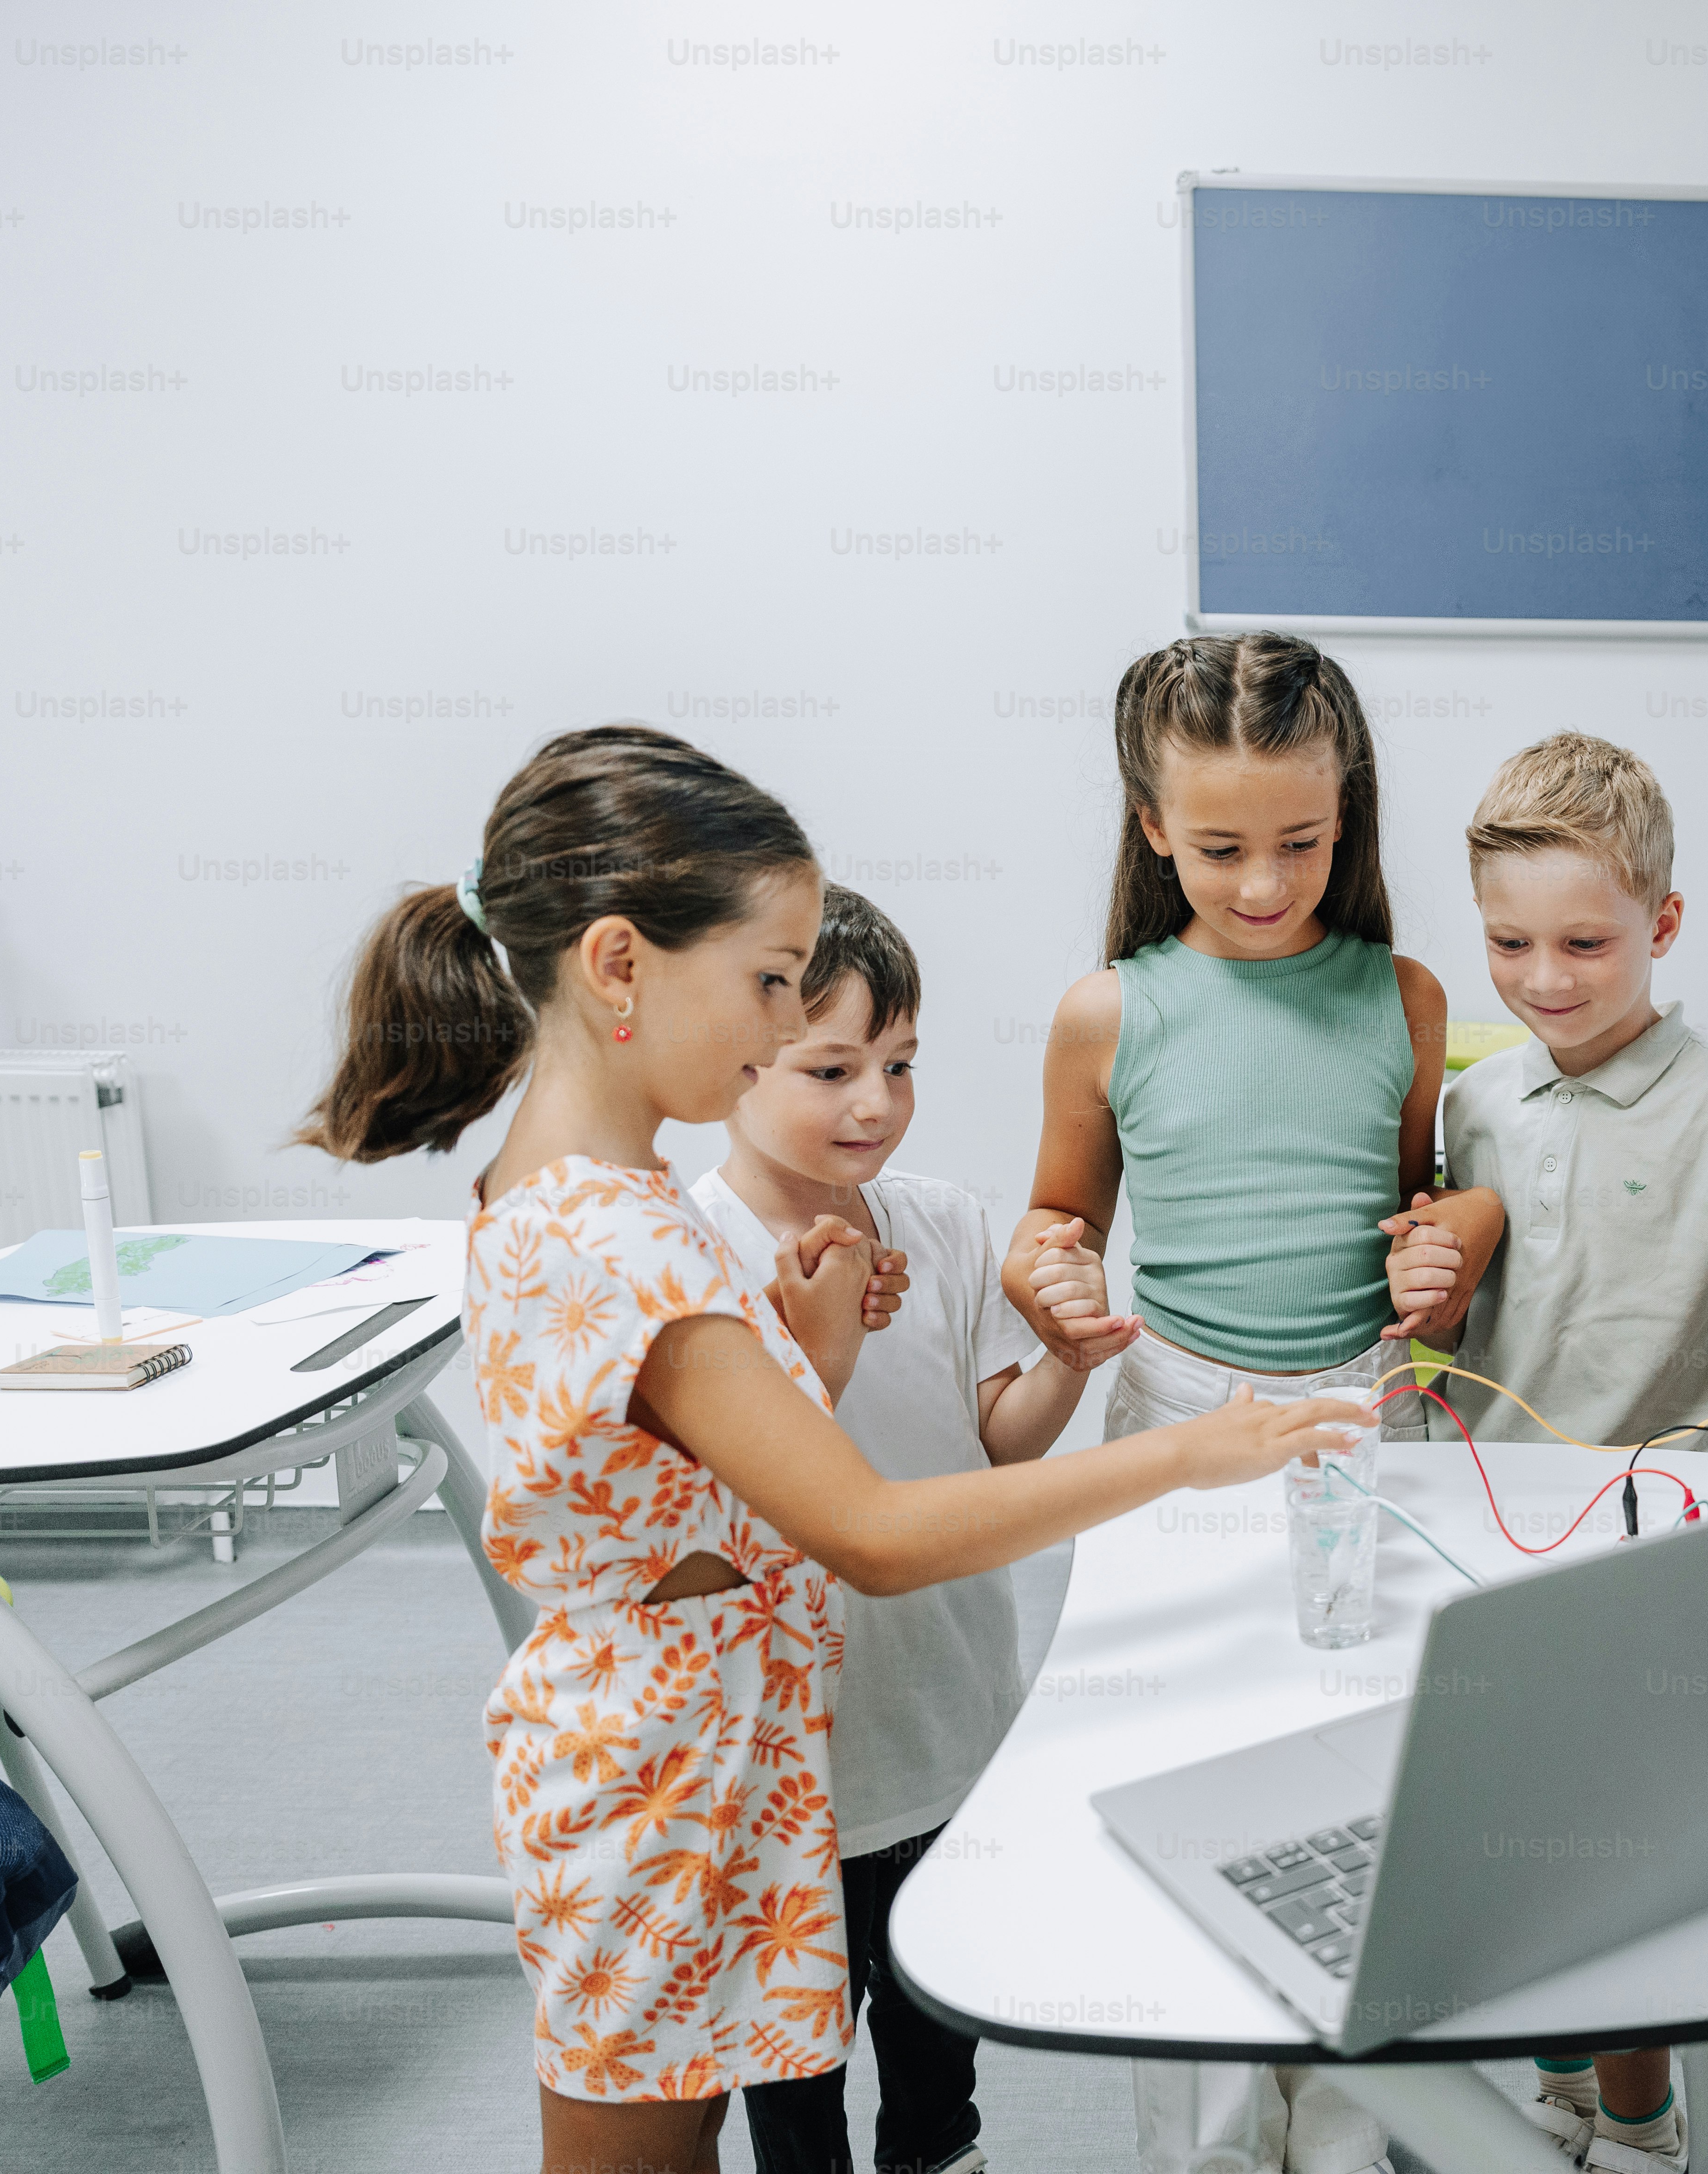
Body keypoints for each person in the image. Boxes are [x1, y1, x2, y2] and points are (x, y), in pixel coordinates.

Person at [297, 723, 1360, 2174]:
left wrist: (814, 1357)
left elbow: (689, 1468)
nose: (787, 1017)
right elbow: (872, 1532)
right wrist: (1187, 1454)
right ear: (618, 967)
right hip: (660, 1783)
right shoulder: (621, 1234)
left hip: (707, 1757)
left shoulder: (589, 1182)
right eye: (770, 980)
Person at [1007, 634, 1503, 2174]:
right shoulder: (1108, 1012)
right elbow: (1059, 1219)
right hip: (1176, 1420)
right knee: (1187, 1778)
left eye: (1303, 840)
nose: (1268, 882)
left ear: (1349, 818)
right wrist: (1045, 1271)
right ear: (1152, 827)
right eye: (1222, 849)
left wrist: (1441, 1251)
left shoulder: (1406, 997)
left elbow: (1415, 1210)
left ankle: (1348, 2140)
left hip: (1365, 1414)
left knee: (1368, 1782)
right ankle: (1208, 2151)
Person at [1434, 731, 1708, 2173]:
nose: (1545, 977)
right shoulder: (1470, 1105)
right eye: (1509, 943)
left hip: (1651, 1548)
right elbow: (1452, 1326)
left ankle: (1643, 2123)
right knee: (1520, 1853)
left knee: (1617, 1872)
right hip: (1488, 1535)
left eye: (1586, 942)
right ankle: (1568, 2090)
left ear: (1664, 924)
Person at [687, 883, 1133, 2174]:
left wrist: (1065, 1361)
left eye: (901, 1065)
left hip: (944, 1716)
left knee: (941, 2050)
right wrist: (810, 1351)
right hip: (788, 1762)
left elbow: (997, 1444)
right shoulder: (692, 1254)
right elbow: (718, 1518)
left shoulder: (937, 1221)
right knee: (795, 2072)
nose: (876, 1103)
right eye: (832, 1070)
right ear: (734, 1063)